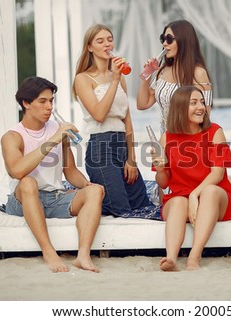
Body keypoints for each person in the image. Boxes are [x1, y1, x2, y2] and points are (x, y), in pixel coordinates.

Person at [1, 76, 104, 273]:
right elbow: (17, 171)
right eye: (42, 101)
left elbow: (70, 171)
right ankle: (49, 252)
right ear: (26, 103)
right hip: (24, 200)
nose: (49, 107)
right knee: (28, 182)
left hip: (55, 198)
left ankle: (83, 255)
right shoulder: (12, 136)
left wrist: (86, 185)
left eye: (51, 101)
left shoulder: (57, 129)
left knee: (95, 191)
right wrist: (54, 139)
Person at [151, 86, 231, 272]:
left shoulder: (215, 132)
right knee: (178, 202)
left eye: (202, 102)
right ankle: (171, 258)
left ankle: (194, 257)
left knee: (209, 191)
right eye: (194, 103)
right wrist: (161, 170)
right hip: (181, 199)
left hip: (217, 197)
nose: (201, 107)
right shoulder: (166, 138)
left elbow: (217, 174)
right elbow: (163, 183)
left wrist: (195, 195)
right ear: (180, 108)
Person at [72, 24, 152, 217]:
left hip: (121, 145)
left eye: (109, 39)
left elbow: (128, 120)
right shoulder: (83, 79)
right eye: (100, 41)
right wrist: (114, 79)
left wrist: (131, 159)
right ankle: (88, 203)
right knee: (121, 209)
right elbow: (99, 115)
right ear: (89, 47)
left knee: (142, 204)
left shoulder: (119, 77)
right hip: (100, 147)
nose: (107, 44)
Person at [137, 19, 212, 134]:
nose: (164, 43)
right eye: (163, 39)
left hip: (188, 141)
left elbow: (204, 117)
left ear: (184, 41)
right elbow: (142, 104)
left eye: (169, 39)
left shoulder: (198, 73)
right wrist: (147, 73)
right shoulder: (162, 71)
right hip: (166, 139)